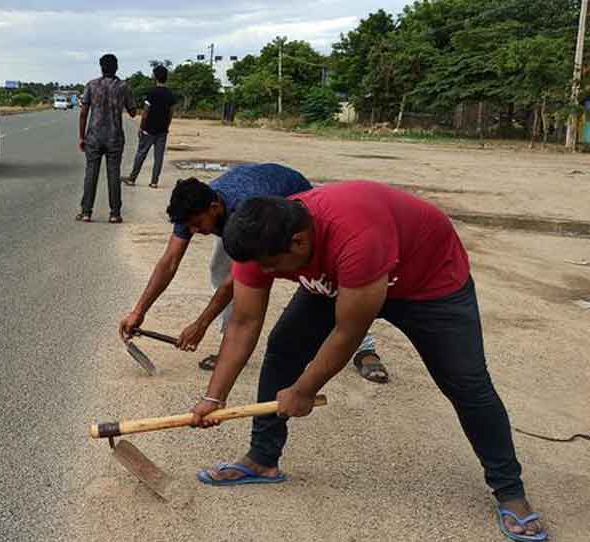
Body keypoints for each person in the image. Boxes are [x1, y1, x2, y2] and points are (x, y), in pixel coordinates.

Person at [189, 181, 546, 542]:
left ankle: (509, 490)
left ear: (299, 241)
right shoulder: (258, 244)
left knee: (466, 384)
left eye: (272, 267)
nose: (265, 273)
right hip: (343, 277)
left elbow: (348, 333)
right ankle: (262, 459)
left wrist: (303, 390)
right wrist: (213, 398)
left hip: (428, 282)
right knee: (283, 348)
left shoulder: (355, 236)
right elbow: (245, 322)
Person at [119, 164, 388, 380]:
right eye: (188, 226)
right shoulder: (195, 209)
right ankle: (231, 345)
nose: (193, 231)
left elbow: (234, 282)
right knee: (218, 268)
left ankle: (365, 348)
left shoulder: (242, 207)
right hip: (246, 207)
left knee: (326, 281)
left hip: (289, 199)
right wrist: (138, 311)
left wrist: (200, 325)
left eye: (197, 224)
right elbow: (169, 262)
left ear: (214, 209)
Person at [76, 54, 137, 224]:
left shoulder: (91, 85)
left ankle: (86, 212)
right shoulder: (123, 87)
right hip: (114, 137)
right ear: (116, 67)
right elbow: (133, 112)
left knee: (91, 174)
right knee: (113, 174)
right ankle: (115, 213)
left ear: (101, 67)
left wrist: (82, 136)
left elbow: (83, 113)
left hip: (94, 137)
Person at [121, 65, 176, 189]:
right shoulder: (170, 94)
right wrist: (167, 125)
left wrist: (141, 127)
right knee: (159, 157)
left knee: (141, 154)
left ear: (155, 77)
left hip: (149, 129)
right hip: (162, 130)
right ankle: (154, 182)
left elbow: (145, 113)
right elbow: (171, 112)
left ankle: (132, 178)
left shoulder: (151, 93)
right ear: (166, 78)